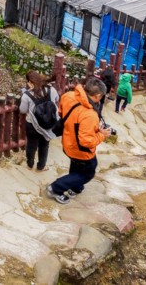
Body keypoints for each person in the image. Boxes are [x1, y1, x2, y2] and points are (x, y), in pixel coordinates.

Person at [46, 76, 112, 204]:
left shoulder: (69, 96)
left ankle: (75, 187)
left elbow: (61, 112)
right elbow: (86, 141)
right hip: (80, 149)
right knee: (88, 172)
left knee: (76, 166)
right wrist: (102, 134)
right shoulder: (89, 114)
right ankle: (55, 188)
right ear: (98, 95)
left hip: (68, 141)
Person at [19, 71, 59, 171]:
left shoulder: (27, 95)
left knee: (31, 145)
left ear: (30, 82)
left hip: (32, 125)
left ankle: (30, 164)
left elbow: (23, 110)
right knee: (44, 145)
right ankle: (41, 166)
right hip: (48, 123)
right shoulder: (51, 89)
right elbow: (57, 99)